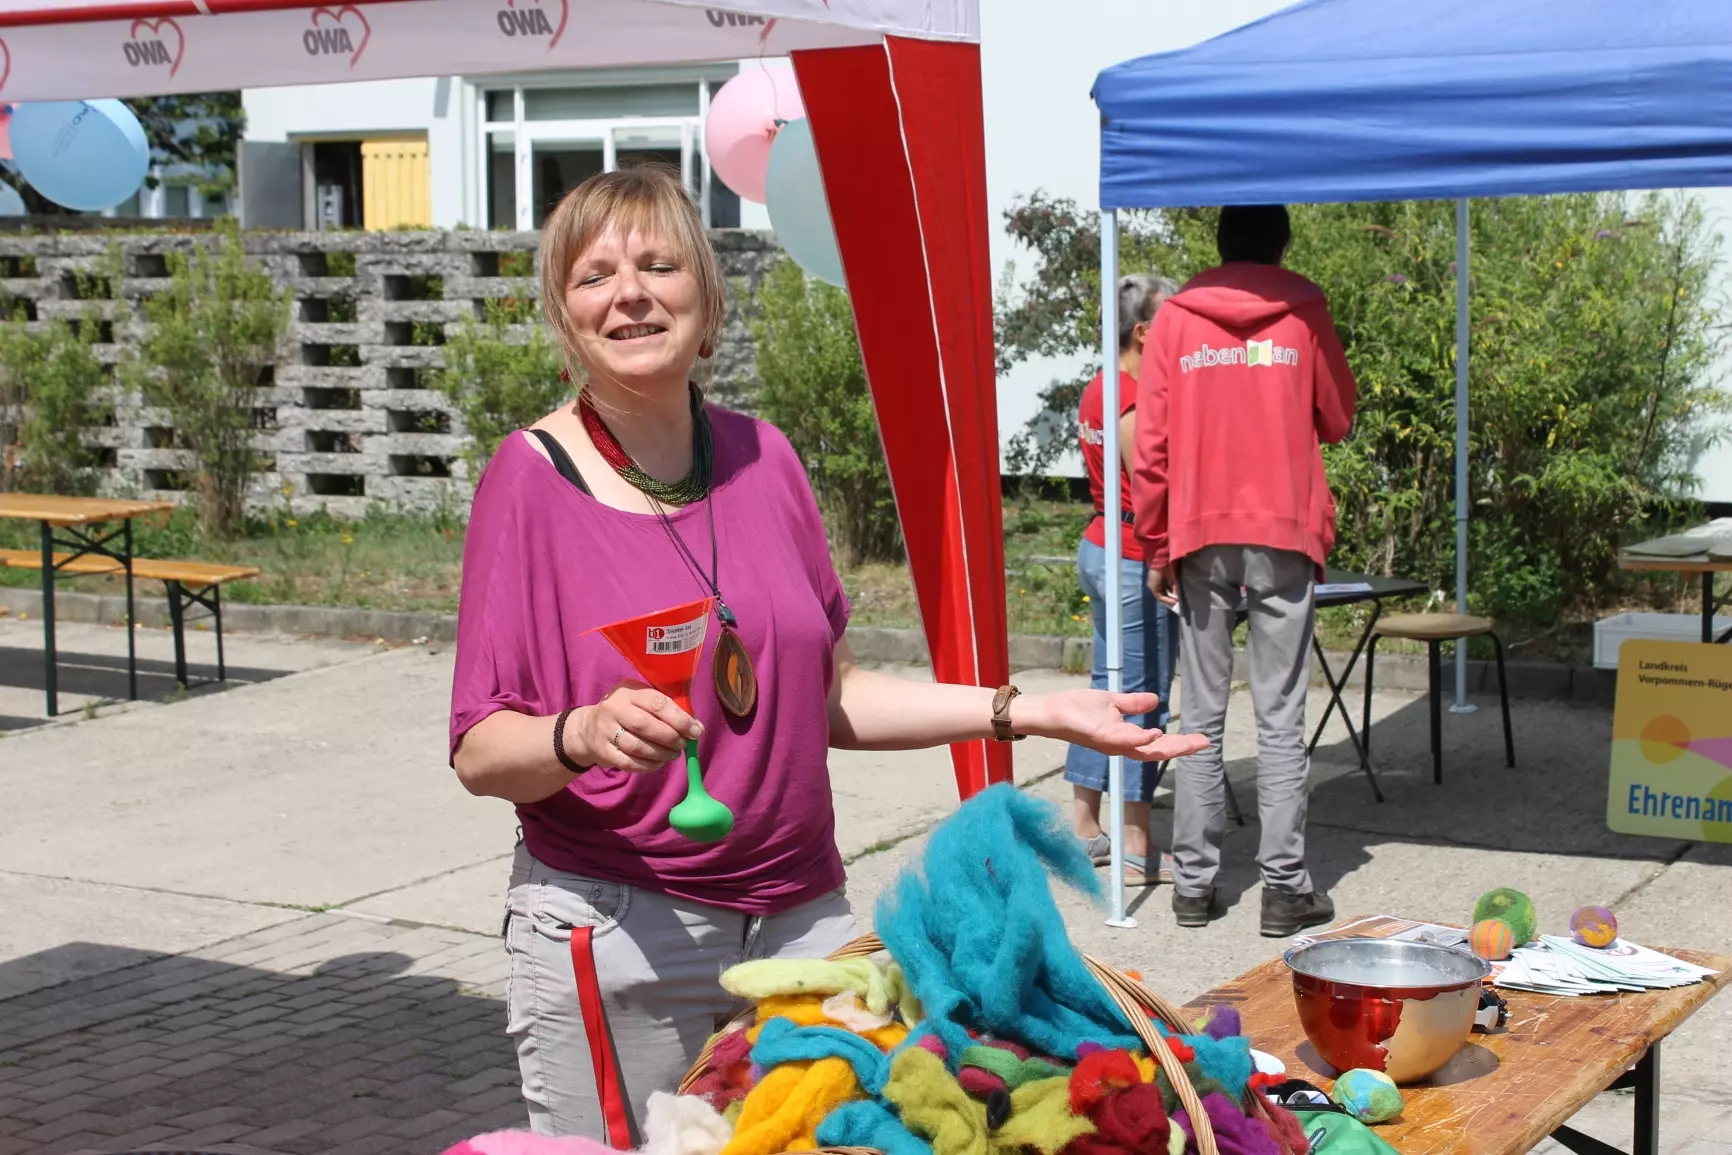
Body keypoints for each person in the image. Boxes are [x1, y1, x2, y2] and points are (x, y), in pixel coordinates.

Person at [448, 164, 1208, 1142]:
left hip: (805, 922)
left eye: (658, 263)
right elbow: (480, 751)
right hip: (625, 936)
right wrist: (580, 730)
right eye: (595, 275)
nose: (630, 291)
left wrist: (1029, 710)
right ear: (564, 313)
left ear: (705, 294)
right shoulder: (530, 481)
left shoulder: (766, 459)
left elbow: (831, 695)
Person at [1131, 204, 1357, 938]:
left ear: (1220, 245)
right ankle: (1284, 886)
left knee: (1198, 710)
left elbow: (1153, 444)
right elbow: (1338, 415)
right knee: (1281, 710)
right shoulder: (1304, 310)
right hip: (1283, 529)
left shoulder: (1173, 320)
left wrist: (1157, 543)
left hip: (1199, 529)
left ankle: (1193, 885)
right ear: (1282, 246)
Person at [1065, 273, 1182, 887]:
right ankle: (1136, 843)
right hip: (1134, 553)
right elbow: (1152, 486)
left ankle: (1085, 826)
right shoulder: (1133, 397)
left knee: (1105, 692)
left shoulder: (1099, 387)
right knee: (1142, 697)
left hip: (1104, 544)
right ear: (1144, 331)